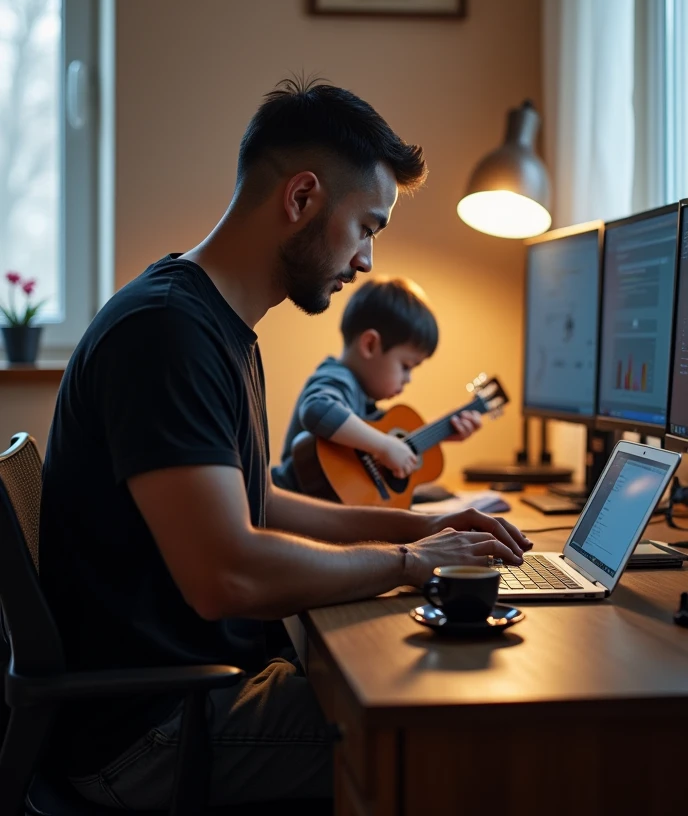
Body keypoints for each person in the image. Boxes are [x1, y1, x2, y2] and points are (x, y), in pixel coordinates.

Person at [40, 77, 531, 809]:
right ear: (301, 199)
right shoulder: (166, 334)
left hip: (198, 694)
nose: (367, 261)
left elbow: (261, 504)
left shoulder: (217, 326)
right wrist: (407, 563)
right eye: (367, 226)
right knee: (473, 735)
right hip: (154, 737)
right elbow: (226, 576)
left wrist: (425, 526)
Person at [273, 275, 482, 494]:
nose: (408, 378)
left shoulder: (363, 398)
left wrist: (440, 434)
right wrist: (383, 446)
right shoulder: (337, 378)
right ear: (370, 345)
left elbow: (382, 445)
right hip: (289, 505)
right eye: (406, 366)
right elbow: (317, 409)